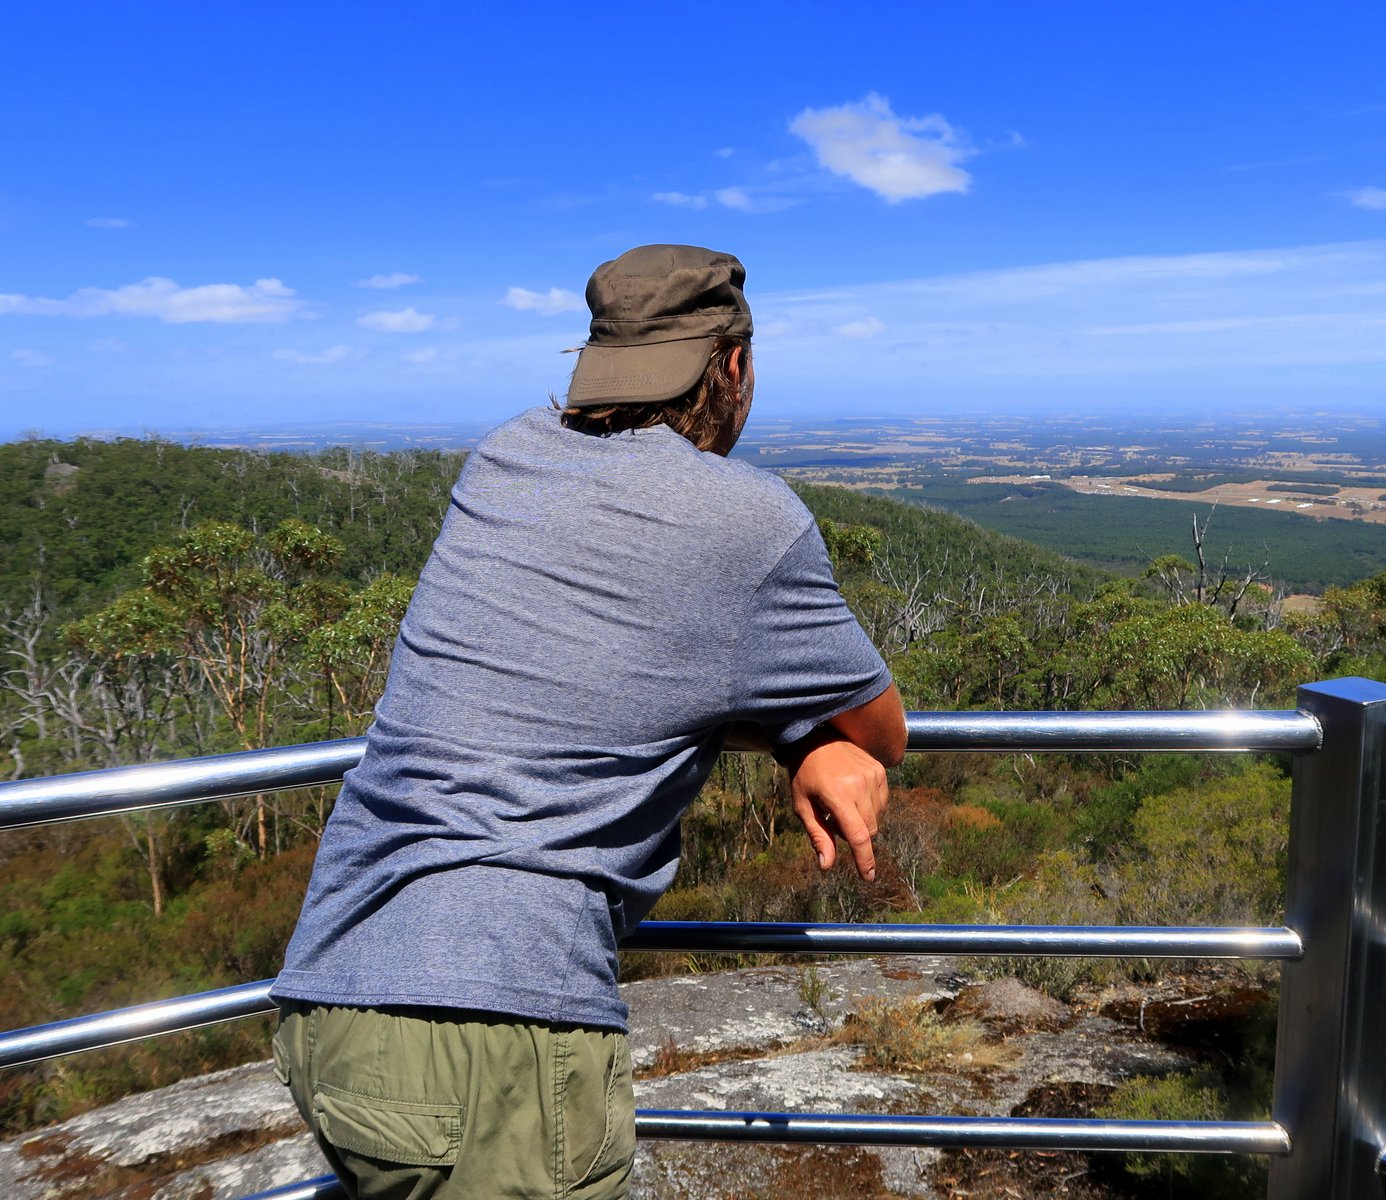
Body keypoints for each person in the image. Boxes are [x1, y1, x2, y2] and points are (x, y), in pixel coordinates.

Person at [269, 244, 907, 1199]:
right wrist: (802, 740)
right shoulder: (748, 519)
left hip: (333, 995)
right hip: (493, 1033)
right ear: (731, 367)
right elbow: (879, 733)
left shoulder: (503, 457)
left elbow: (599, 674)